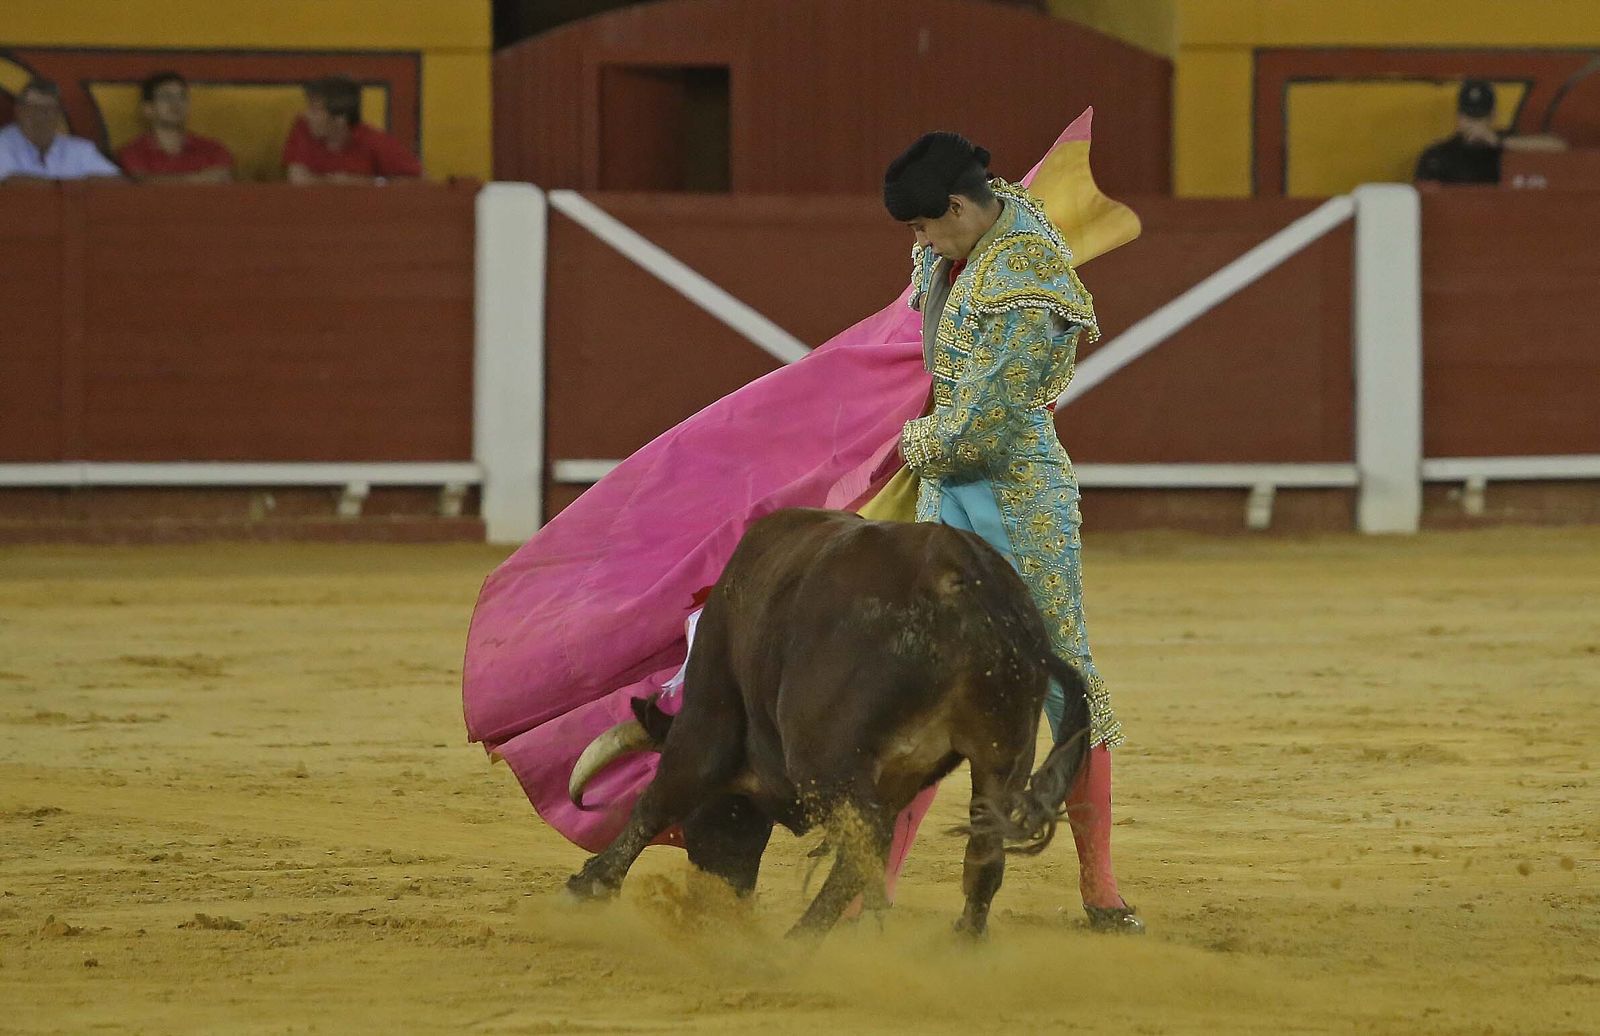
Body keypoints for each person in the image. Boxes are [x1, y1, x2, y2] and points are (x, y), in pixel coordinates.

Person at [883, 132, 1141, 933]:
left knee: (1063, 681)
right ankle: (870, 885)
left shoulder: (1028, 278)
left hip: (1016, 498)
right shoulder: (979, 227)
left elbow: (982, 431)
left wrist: (904, 445)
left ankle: (1100, 888)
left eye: (925, 227)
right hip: (946, 496)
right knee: (919, 682)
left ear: (959, 208)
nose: (920, 245)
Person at [1415, 79, 1567, 185]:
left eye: (1481, 117)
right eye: (1470, 117)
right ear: (1459, 118)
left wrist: (1500, 142)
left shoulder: (1507, 144)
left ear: (1493, 116)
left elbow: (1558, 146)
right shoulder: (1439, 155)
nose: (1475, 124)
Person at [282, 76, 421, 185]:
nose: (307, 115)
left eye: (315, 111)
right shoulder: (302, 127)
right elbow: (298, 180)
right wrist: (338, 184)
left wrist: (368, 184)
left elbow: (420, 181)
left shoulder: (373, 140)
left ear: (340, 119)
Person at [117, 72, 234, 184]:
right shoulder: (133, 153)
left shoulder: (213, 150)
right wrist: (198, 180)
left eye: (182, 97)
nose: (176, 103)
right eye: (166, 97)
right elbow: (141, 184)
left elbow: (223, 182)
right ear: (148, 109)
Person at [0, 78, 122, 184]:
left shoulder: (80, 150)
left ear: (59, 114)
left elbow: (117, 183)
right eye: (33, 109)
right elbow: (11, 184)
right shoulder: (3, 145)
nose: (40, 117)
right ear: (19, 111)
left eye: (48, 110)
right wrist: (76, 185)